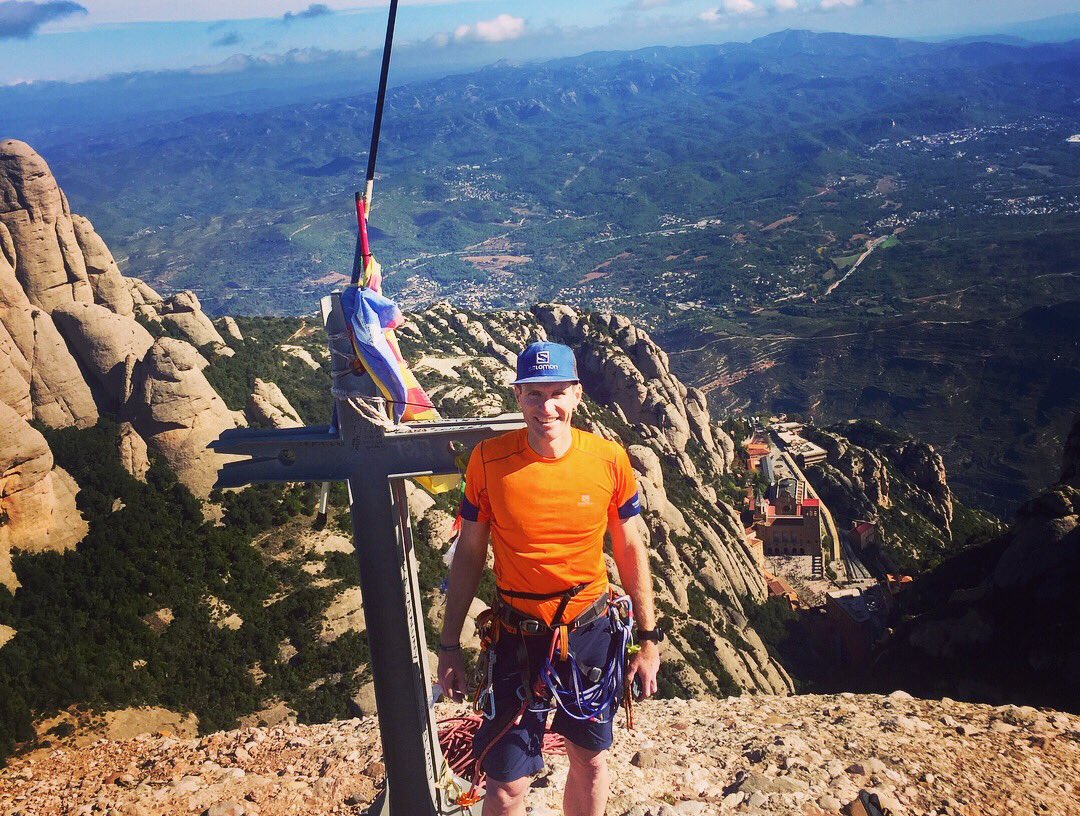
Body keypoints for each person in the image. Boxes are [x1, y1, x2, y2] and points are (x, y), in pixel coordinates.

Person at [438, 341, 663, 816]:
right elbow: (470, 554)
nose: (547, 408)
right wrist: (448, 643)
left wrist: (649, 639)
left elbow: (629, 549)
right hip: (515, 636)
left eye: (558, 392)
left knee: (592, 762)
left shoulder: (608, 459)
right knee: (504, 782)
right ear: (518, 397)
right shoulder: (487, 461)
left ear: (577, 395)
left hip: (591, 635)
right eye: (535, 395)